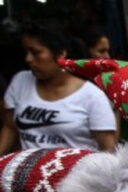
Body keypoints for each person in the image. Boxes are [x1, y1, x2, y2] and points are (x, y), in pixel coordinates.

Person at [0, 22, 116, 154]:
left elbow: (108, 149)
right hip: (30, 171)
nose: (28, 59)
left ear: (60, 54)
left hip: (77, 172)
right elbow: (9, 127)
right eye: (26, 52)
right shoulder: (20, 82)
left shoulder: (92, 97)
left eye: (36, 52)